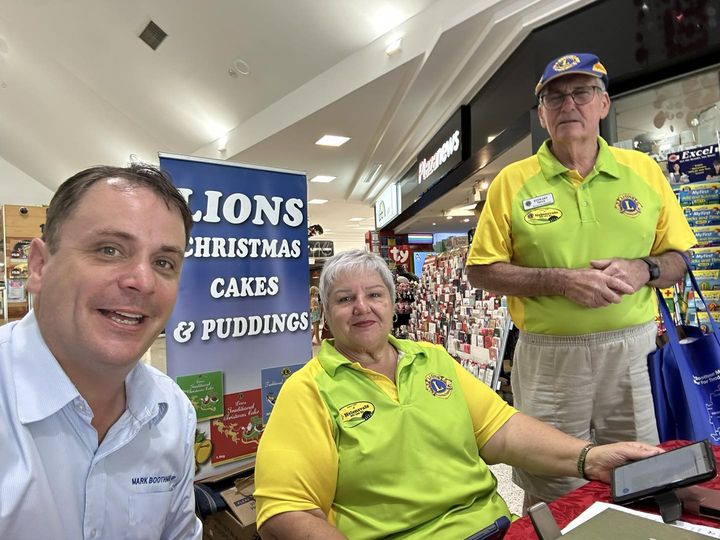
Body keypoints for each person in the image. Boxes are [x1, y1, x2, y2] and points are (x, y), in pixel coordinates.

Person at [253, 250, 663, 539]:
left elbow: (500, 429)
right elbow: (283, 511)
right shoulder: (307, 389)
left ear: (393, 304)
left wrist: (588, 458)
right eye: (345, 299)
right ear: (325, 312)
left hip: (493, 528)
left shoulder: (430, 358)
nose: (362, 307)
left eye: (374, 294)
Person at [466, 53, 696, 506]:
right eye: (555, 96)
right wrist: (561, 280)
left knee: (642, 467)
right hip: (549, 357)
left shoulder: (644, 172)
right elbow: (481, 269)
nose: (568, 103)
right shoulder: (512, 182)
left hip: (633, 350)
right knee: (552, 476)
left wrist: (644, 268)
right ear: (543, 113)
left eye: (581, 92)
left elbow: (679, 257)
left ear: (603, 104)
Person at [0, 164, 202, 538]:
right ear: (40, 266)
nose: (142, 281)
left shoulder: (172, 412)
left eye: (164, 262)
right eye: (109, 250)